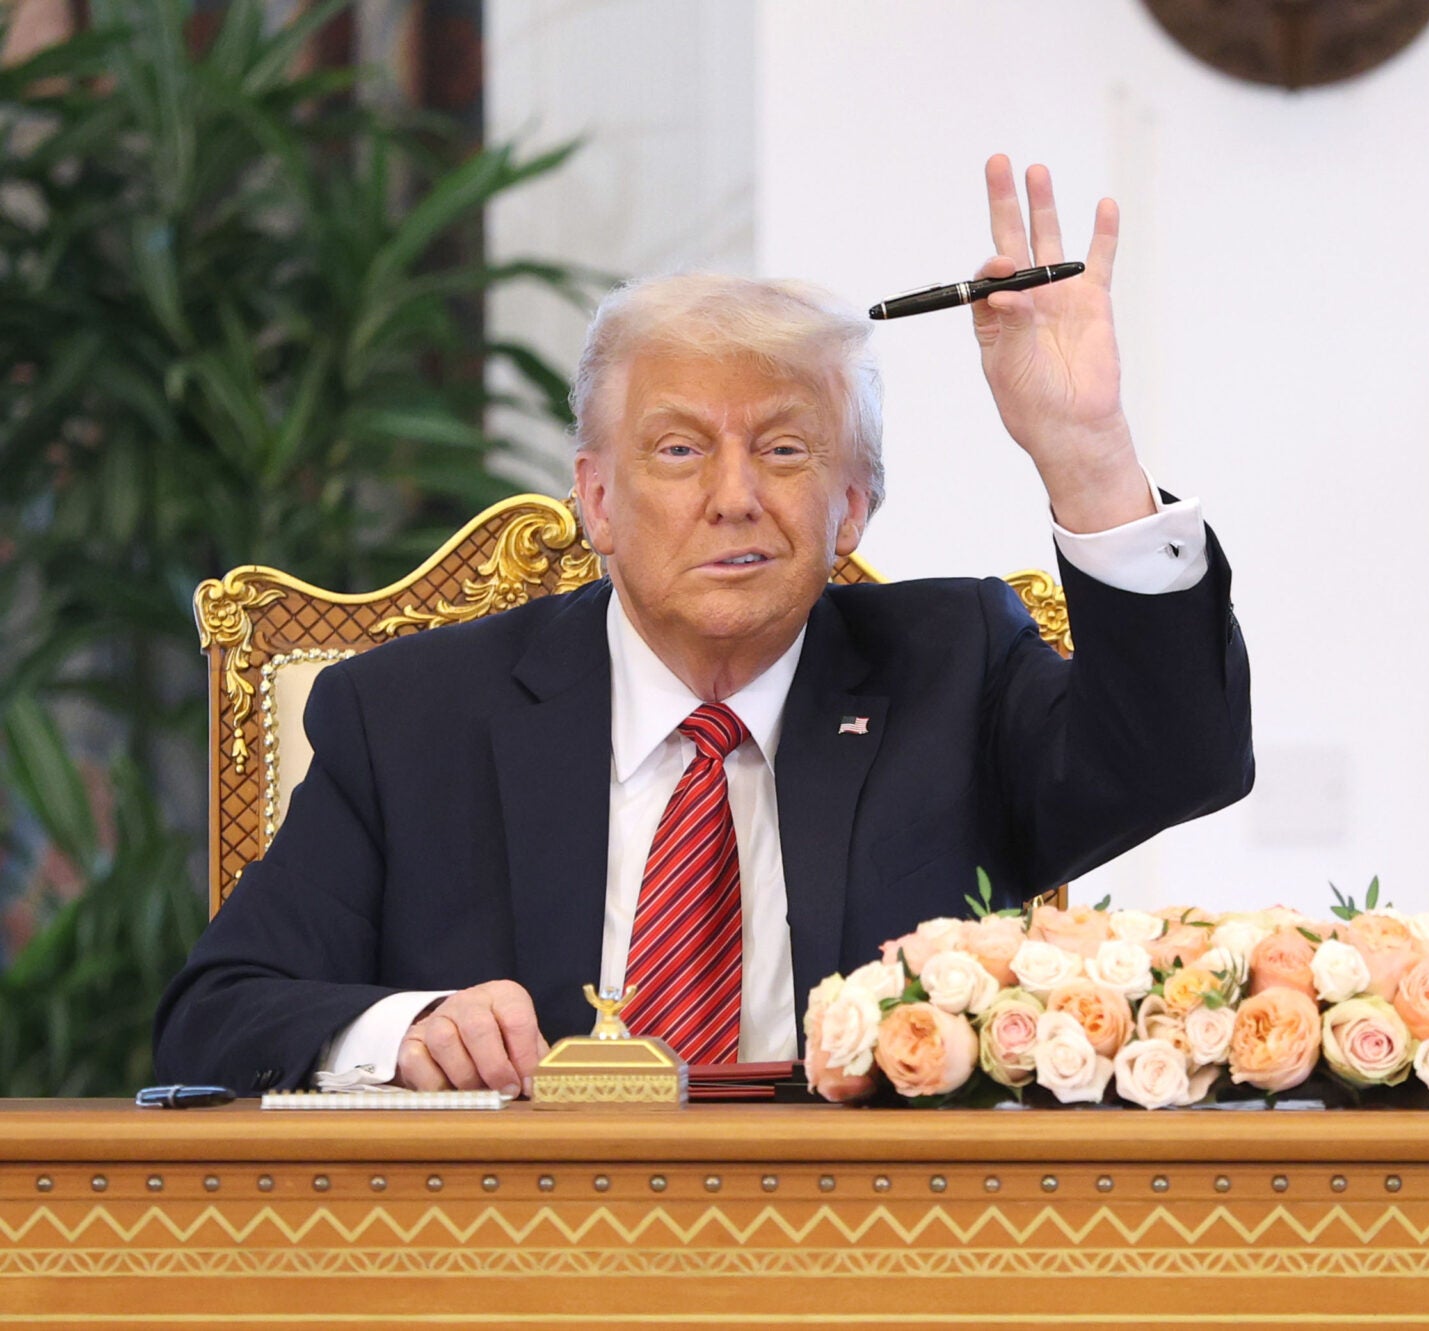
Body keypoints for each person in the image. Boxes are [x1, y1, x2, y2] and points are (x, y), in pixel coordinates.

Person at [155, 157, 1254, 1096]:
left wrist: (1089, 454)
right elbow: (215, 1018)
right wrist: (408, 1030)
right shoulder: (413, 717)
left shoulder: (952, 668)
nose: (735, 497)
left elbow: (1180, 760)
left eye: (784, 450)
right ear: (597, 500)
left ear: (851, 508)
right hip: (522, 1238)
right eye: (679, 450)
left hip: (863, 1239)